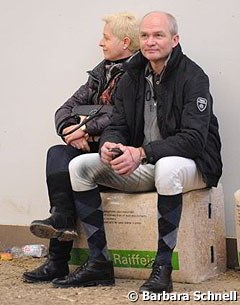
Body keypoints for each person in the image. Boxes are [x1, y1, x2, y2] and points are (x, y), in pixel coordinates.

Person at [51, 11, 222, 292]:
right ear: (138, 40)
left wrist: (141, 153)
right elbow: (117, 124)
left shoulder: (194, 77)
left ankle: (162, 267)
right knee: (79, 166)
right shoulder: (131, 76)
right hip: (143, 163)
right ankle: (98, 263)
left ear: (175, 39)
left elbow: (193, 140)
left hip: (194, 165)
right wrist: (110, 145)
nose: (150, 41)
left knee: (167, 167)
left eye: (158, 35)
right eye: (145, 35)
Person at [22, 12, 139, 283]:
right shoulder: (100, 73)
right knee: (58, 153)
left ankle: (60, 257)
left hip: (119, 153)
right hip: (89, 149)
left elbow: (121, 115)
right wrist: (67, 130)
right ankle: (59, 248)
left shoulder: (136, 75)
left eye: (105, 37)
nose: (100, 43)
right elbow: (65, 108)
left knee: (68, 166)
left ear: (124, 42)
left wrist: (85, 128)